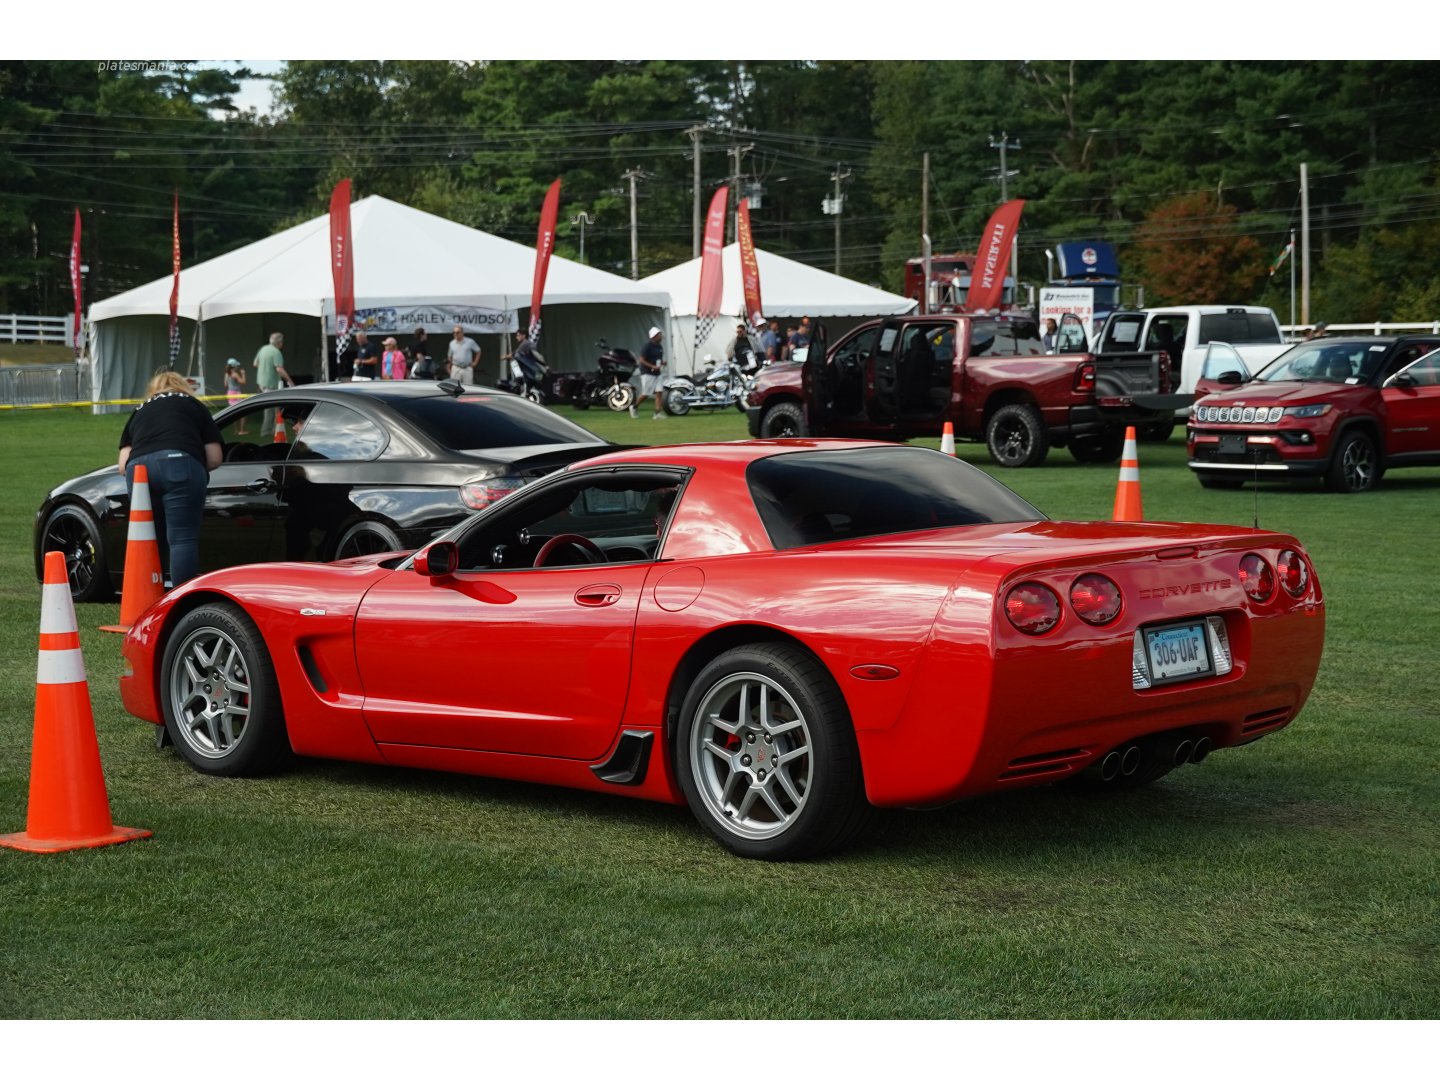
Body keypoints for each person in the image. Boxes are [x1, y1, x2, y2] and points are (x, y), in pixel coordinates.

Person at [117, 370, 223, 588]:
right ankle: (179, 603)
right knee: (182, 539)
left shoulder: (141, 409)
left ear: (154, 389)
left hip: (138, 469)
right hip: (179, 464)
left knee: (147, 540)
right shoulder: (194, 405)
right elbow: (214, 458)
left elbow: (122, 464)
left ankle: (147, 601)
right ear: (183, 386)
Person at [253, 331, 293, 439]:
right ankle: (266, 432)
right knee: (272, 409)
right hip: (272, 384)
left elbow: (255, 364)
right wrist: (290, 381)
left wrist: (264, 369)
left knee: (273, 408)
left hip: (262, 383)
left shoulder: (263, 349)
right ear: (279, 343)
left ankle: (274, 430)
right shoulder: (276, 352)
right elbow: (279, 369)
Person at [630, 326, 666, 419]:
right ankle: (634, 407)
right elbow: (641, 360)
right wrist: (652, 366)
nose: (661, 337)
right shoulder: (647, 346)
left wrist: (662, 363)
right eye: (659, 335)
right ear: (654, 336)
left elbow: (658, 359)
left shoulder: (660, 347)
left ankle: (657, 413)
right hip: (647, 373)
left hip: (657, 373)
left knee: (659, 392)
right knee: (646, 393)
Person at [224, 358, 249, 433]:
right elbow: (243, 382)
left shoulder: (226, 374)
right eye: (237, 366)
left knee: (234, 412)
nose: (238, 367)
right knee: (243, 412)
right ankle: (241, 431)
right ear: (234, 366)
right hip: (236, 394)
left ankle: (236, 431)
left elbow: (225, 385)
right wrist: (243, 374)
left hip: (229, 393)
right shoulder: (235, 374)